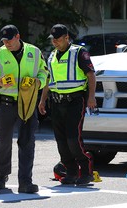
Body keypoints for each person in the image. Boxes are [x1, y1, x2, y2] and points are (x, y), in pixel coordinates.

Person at [0, 24, 49, 193]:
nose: (7, 43)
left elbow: (44, 72)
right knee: (3, 142)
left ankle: (25, 182)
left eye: (9, 40)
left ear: (18, 36)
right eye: (4, 41)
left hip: (27, 103)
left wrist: (38, 82)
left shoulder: (34, 52)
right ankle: (1, 176)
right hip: (5, 104)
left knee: (27, 142)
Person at [38, 24, 97, 185]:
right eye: (52, 39)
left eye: (57, 39)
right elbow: (48, 80)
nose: (54, 42)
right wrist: (42, 100)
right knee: (61, 141)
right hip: (56, 103)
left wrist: (91, 97)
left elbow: (91, 75)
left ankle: (86, 171)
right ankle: (71, 172)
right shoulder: (52, 55)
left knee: (73, 139)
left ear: (66, 38)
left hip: (75, 102)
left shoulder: (79, 52)